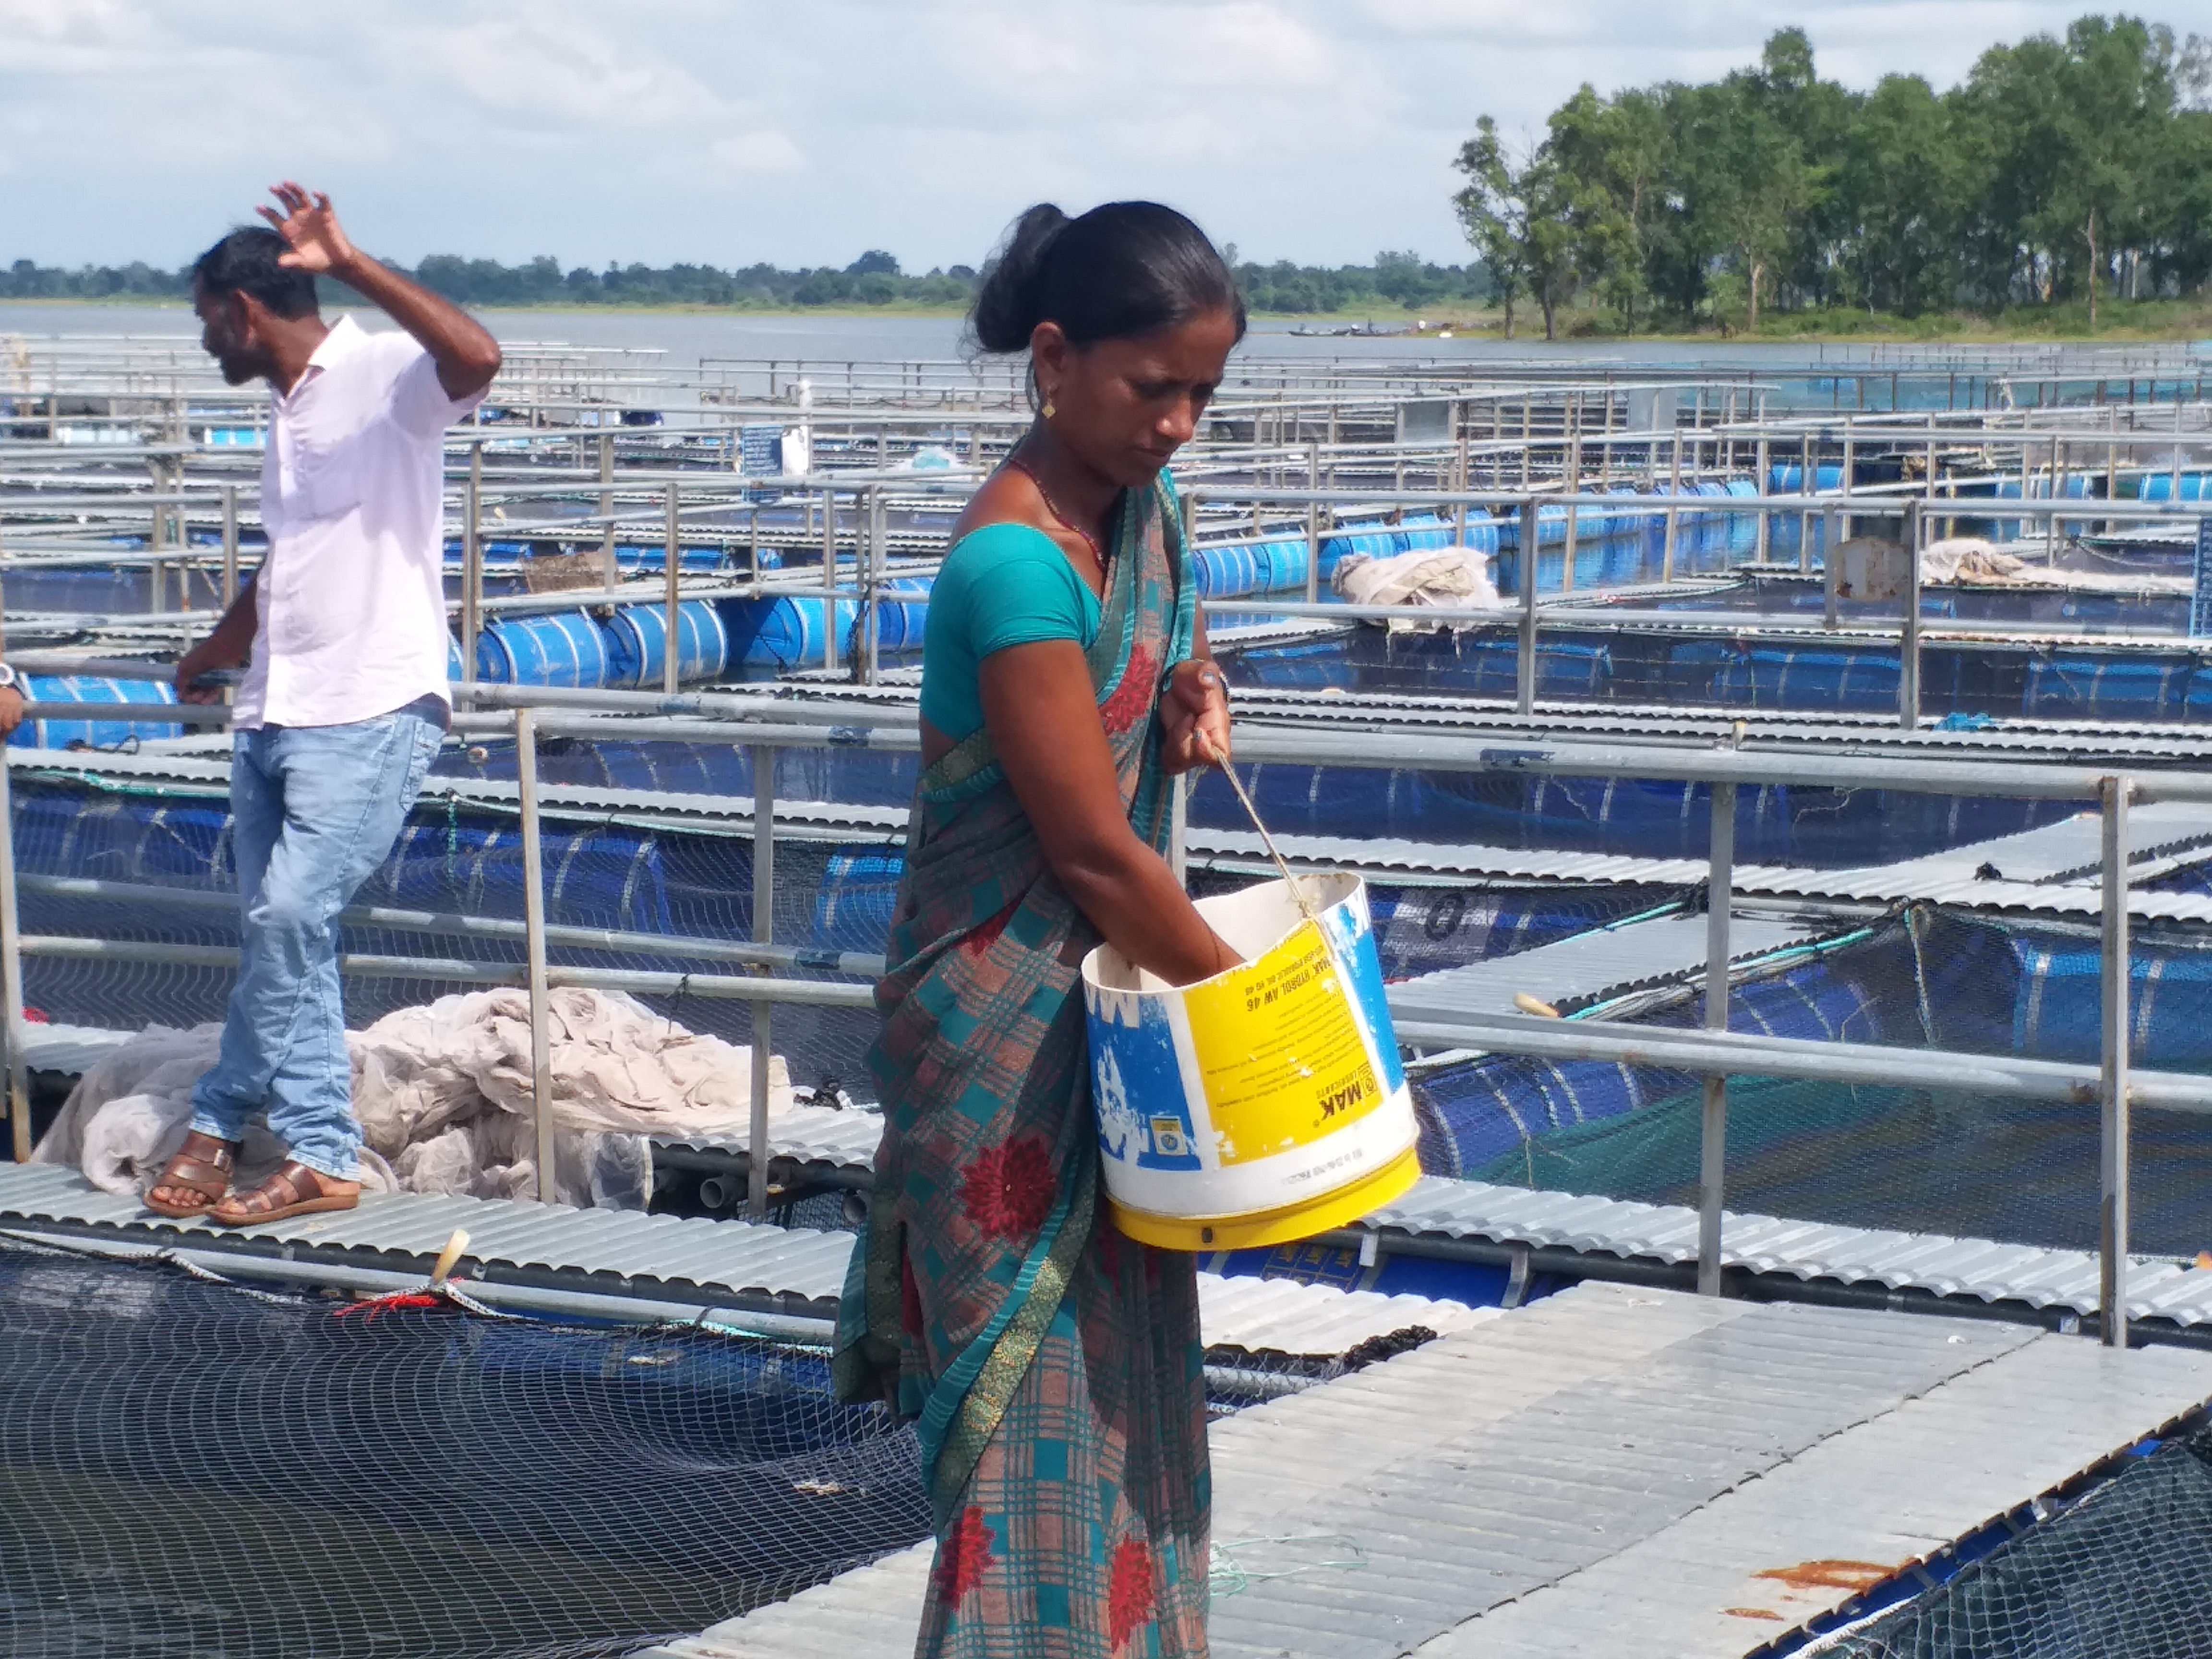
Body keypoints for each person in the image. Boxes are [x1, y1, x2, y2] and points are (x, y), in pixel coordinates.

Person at [833, 202, 1242, 1659]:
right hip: (1007, 1037)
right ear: (1055, 359)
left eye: (1204, 393)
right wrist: (1262, 1016)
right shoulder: (1012, 567)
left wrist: (1194, 690)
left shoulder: (1139, 508)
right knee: (1027, 1427)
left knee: (1133, 1392)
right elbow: (1086, 851)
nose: (1182, 424)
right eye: (1155, 390)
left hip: (1110, 1028)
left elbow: (1170, 632)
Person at [144, 183, 501, 1226]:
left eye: (209, 322)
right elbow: (292, 554)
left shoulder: (385, 375)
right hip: (275, 708)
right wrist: (224, 645)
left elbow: (477, 358)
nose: (208, 344)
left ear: (242, 312)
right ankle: (218, 1135)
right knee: (277, 932)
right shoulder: (289, 413)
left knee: (291, 916)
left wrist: (349, 260)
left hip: (371, 703)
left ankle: (316, 1152)